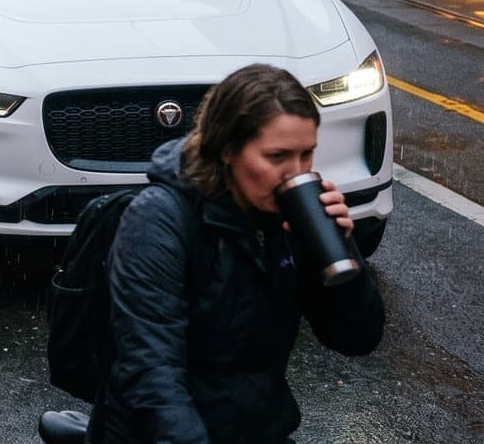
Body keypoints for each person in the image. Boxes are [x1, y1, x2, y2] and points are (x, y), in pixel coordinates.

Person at [89, 63, 383, 443]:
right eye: (277, 157)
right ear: (227, 149)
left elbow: (357, 338)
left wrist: (341, 252)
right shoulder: (158, 220)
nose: (295, 173)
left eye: (306, 154)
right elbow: (151, 372)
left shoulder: (288, 221)